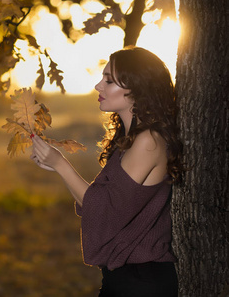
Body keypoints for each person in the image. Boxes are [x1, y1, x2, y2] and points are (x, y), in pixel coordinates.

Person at [30, 46, 182, 296]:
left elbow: (105, 212)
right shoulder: (132, 139)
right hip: (126, 278)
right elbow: (99, 203)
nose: (98, 86)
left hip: (143, 282)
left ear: (137, 87)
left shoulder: (148, 142)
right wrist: (57, 166)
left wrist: (60, 164)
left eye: (109, 80)